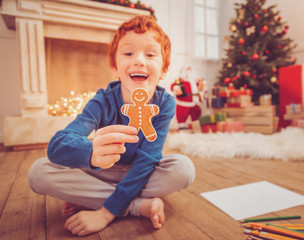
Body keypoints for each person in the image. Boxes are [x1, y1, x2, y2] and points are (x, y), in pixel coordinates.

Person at [28, 15, 196, 237]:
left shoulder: (165, 103)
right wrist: (90, 152)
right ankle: (137, 206)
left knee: (183, 169)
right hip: (100, 171)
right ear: (114, 67)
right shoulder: (102, 101)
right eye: (128, 53)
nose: (139, 60)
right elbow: (57, 146)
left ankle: (96, 199)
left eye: (150, 54)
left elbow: (148, 160)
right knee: (38, 173)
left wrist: (103, 214)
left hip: (141, 172)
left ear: (164, 69)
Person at [170, 65, 206, 129]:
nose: (190, 72)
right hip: (184, 101)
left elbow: (202, 88)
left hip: (195, 100)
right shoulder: (181, 81)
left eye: (191, 71)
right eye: (188, 70)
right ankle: (182, 126)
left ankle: (195, 126)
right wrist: (176, 88)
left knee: (196, 113)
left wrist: (203, 88)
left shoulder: (197, 81)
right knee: (182, 113)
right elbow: (173, 86)